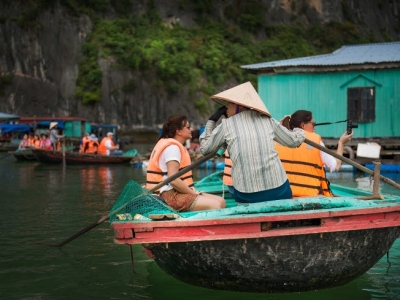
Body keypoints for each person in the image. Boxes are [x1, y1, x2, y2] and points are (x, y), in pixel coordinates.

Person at [200, 82, 305, 204]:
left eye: (229, 104)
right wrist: (298, 129)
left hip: (246, 194)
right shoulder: (268, 121)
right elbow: (294, 141)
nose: (226, 109)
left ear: (240, 106)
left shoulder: (226, 125)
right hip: (278, 190)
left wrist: (211, 121)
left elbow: (205, 149)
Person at [146, 115, 226, 212]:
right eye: (188, 127)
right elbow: (173, 179)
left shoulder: (173, 145)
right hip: (168, 195)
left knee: (221, 201)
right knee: (216, 205)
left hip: (175, 192)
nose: (191, 129)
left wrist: (192, 192)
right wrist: (193, 193)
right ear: (178, 131)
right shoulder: (172, 148)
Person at [276, 110, 354, 197]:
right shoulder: (315, 141)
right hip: (309, 196)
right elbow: (335, 166)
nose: (315, 127)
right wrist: (341, 143)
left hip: (283, 195)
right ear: (303, 125)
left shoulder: (277, 140)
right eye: (313, 124)